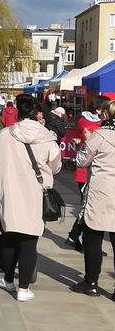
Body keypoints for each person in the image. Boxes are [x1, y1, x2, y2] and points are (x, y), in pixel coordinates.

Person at [0, 97, 61, 302]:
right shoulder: (47, 138)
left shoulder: (5, 134)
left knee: (9, 237)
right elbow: (55, 166)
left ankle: (7, 279)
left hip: (9, 191)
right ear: (38, 115)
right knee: (29, 241)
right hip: (35, 193)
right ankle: (24, 289)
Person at [72, 100, 115, 297]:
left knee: (93, 238)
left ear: (105, 115)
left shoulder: (99, 135)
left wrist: (83, 143)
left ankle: (91, 282)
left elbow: (82, 161)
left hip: (101, 191)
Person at [67, 95, 110, 251]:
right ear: (100, 110)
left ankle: (74, 236)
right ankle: (76, 236)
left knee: (88, 208)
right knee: (88, 208)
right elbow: (90, 143)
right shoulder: (92, 124)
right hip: (87, 171)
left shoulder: (91, 122)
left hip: (94, 171)